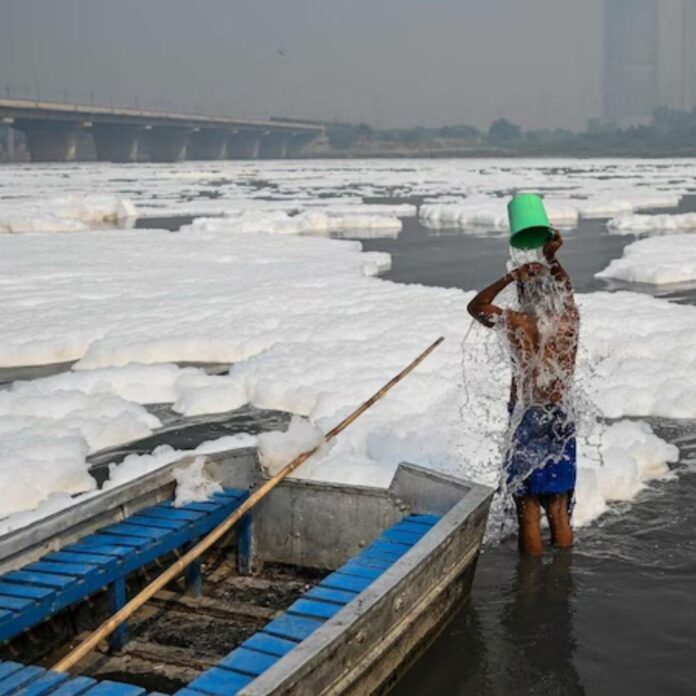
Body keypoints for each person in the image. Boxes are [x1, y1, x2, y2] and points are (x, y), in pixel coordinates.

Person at [467, 230, 579, 556]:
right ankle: (562, 581)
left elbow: (476, 306)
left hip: (527, 414)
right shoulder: (569, 320)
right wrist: (551, 258)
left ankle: (527, 592)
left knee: (527, 509)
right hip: (561, 414)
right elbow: (568, 292)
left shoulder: (514, 322)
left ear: (522, 292)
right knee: (557, 507)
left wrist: (510, 275)